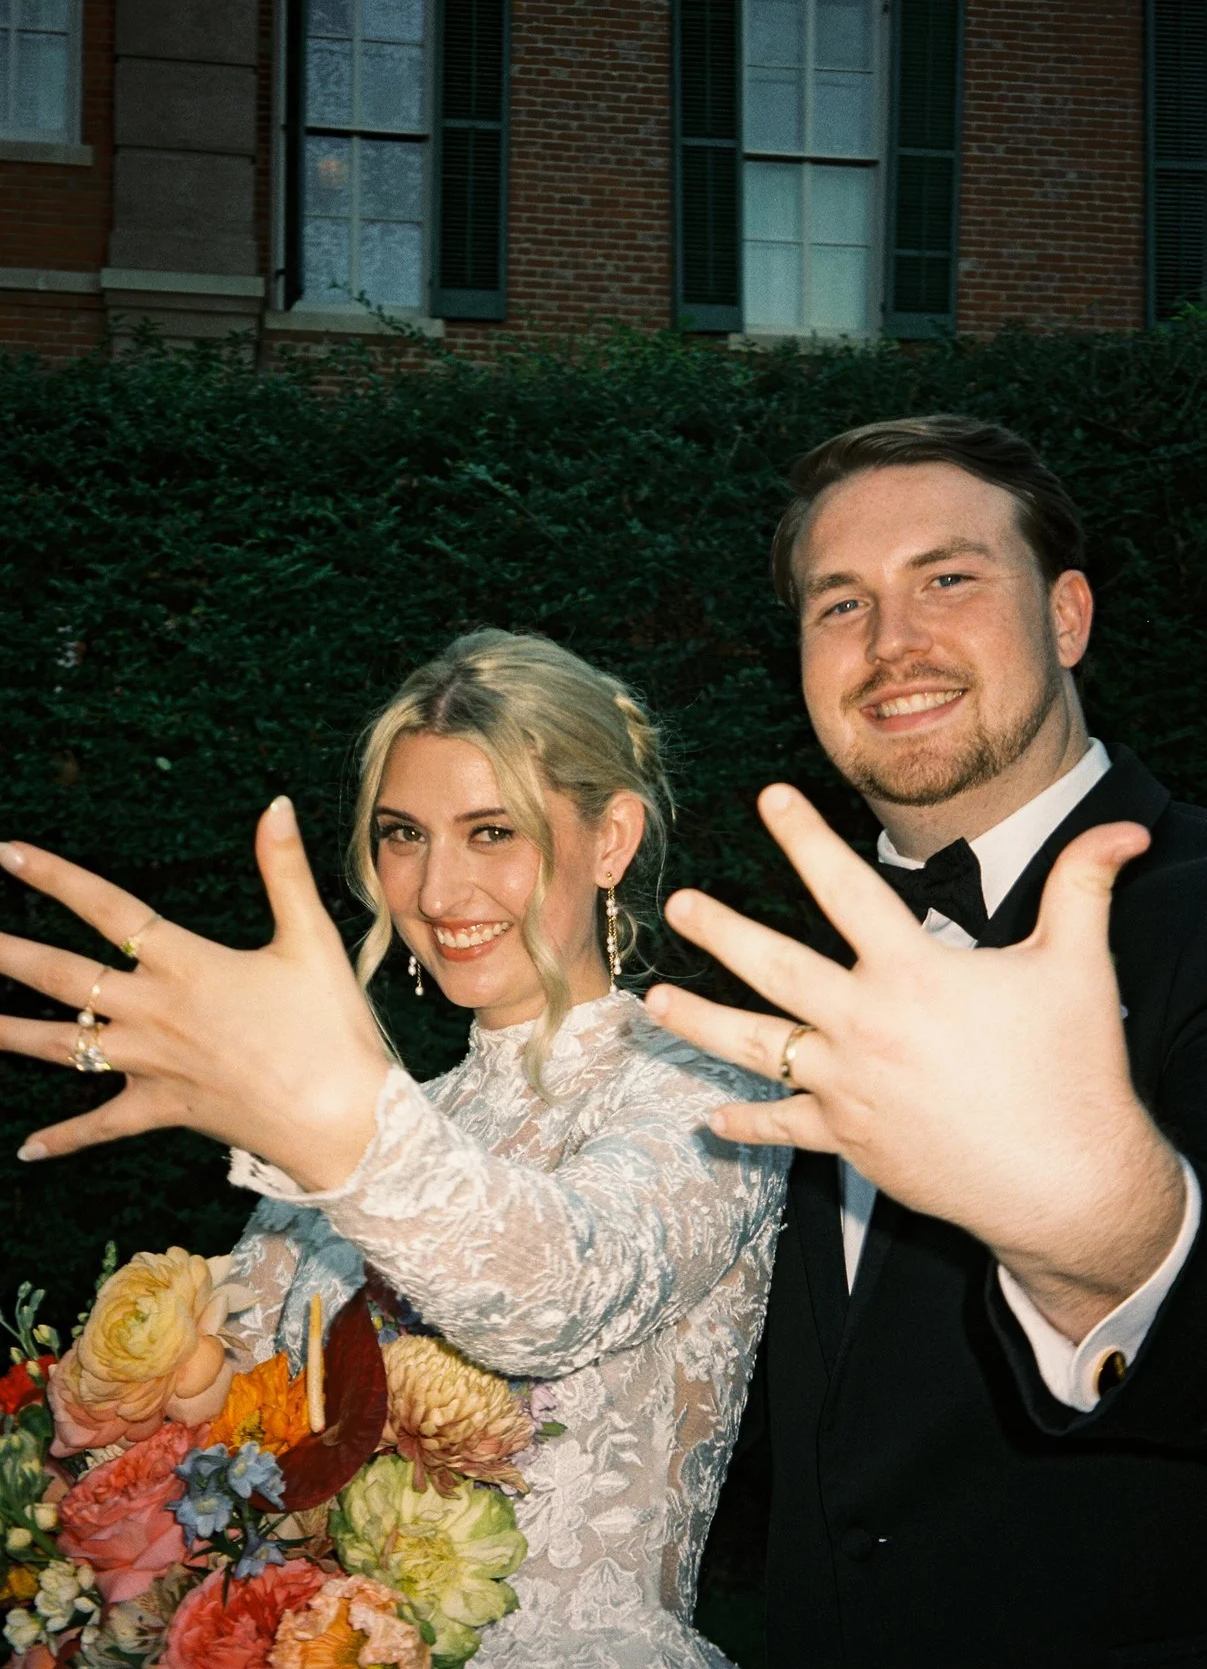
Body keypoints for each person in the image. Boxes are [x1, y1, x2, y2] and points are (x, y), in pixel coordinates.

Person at [0, 629, 790, 1669]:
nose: (436, 890)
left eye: (492, 831)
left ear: (612, 840)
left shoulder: (706, 1093)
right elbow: (230, 1451)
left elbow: (558, 1284)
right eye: (403, 835)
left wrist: (333, 1123)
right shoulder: (367, 1121)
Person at [646, 416, 1207, 1668]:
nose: (891, 644)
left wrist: (1115, 1248)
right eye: (838, 603)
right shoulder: (792, 986)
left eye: (947, 579)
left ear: (1065, 619)